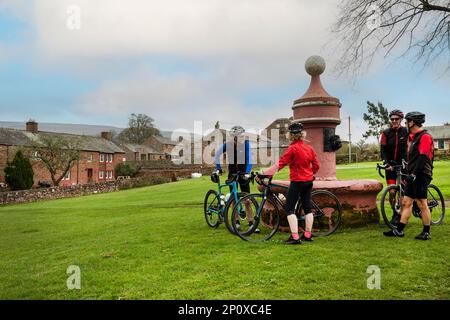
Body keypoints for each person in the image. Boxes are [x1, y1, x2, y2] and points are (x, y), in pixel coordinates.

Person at [260, 122, 320, 244]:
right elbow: (316, 165)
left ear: (290, 136)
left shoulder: (292, 149)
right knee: (308, 208)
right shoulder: (309, 148)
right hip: (308, 181)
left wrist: (265, 174)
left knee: (289, 209)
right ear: (303, 135)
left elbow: (280, 164)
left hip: (297, 181)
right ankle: (307, 235)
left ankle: (295, 237)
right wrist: (310, 174)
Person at [383, 112, 434, 240]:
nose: (406, 122)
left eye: (408, 120)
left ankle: (426, 232)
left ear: (414, 122)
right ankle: (399, 231)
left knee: (422, 203)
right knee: (406, 202)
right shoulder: (413, 137)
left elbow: (423, 157)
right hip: (412, 174)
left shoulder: (425, 136)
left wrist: (414, 174)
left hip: (421, 174)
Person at [214, 125, 257, 231]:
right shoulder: (227, 145)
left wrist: (247, 172)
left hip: (243, 174)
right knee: (234, 199)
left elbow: (250, 159)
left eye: (243, 136)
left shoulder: (246, 144)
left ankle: (251, 222)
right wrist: (218, 168)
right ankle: (236, 221)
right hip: (232, 174)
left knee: (247, 199)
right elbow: (217, 154)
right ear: (234, 137)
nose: (243, 138)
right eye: (240, 136)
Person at [380, 109, 408, 222]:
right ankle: (395, 212)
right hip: (391, 166)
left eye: (396, 119)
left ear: (400, 120)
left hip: (404, 165)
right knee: (392, 192)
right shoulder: (386, 133)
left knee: (402, 192)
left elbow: (409, 147)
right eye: (392, 119)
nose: (394, 121)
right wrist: (386, 163)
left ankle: (401, 215)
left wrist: (406, 161)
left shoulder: (406, 131)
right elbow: (383, 150)